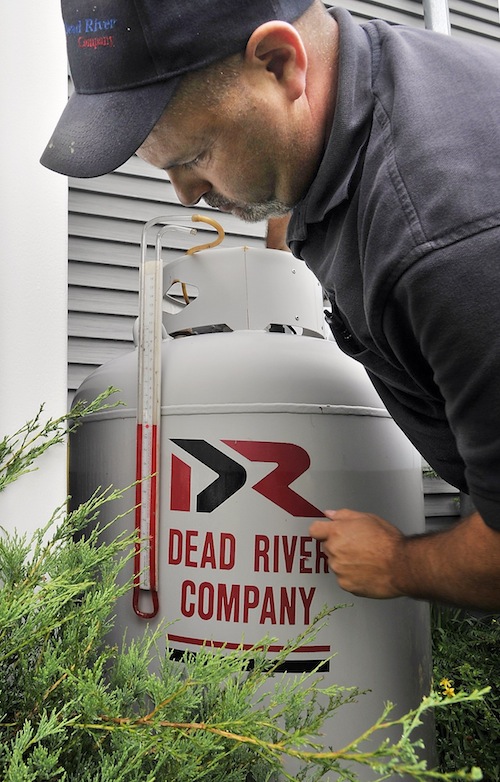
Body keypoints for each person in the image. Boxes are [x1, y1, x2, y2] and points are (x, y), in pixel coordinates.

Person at [41, 0, 500, 611]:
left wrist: (395, 564)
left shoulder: (447, 243)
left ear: (281, 63)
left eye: (196, 155)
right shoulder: (353, 96)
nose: (188, 197)